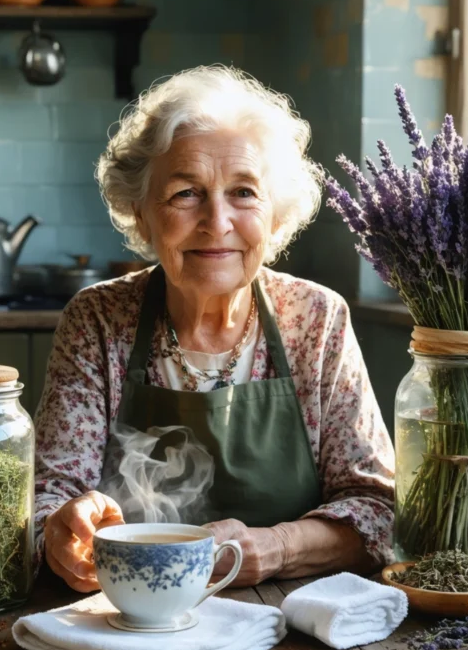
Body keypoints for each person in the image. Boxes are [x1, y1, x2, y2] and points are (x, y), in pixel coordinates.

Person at [35, 66, 394, 593]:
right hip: (129, 613)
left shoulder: (316, 320)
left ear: (275, 218)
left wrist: (279, 547)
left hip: (293, 629)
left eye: (244, 192)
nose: (217, 221)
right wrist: (59, 525)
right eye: (186, 193)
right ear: (140, 214)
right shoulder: (98, 320)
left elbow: (376, 509)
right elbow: (48, 493)